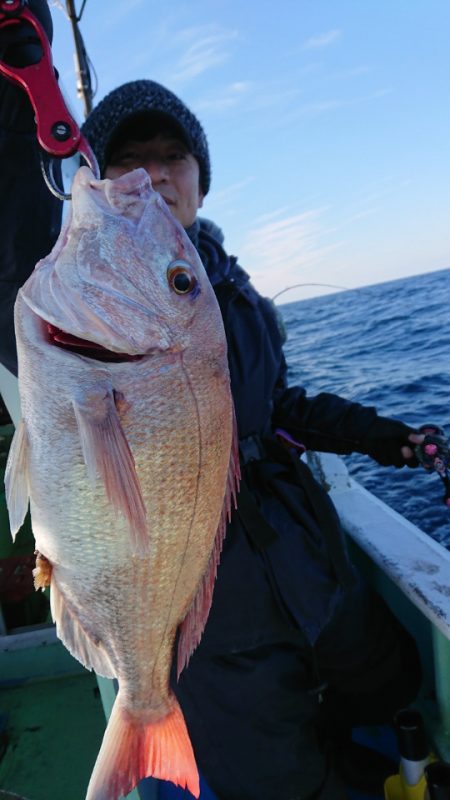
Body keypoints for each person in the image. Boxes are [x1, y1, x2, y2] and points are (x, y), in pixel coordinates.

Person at [0, 3, 424, 799]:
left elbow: (280, 405)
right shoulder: (67, 299)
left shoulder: (229, 288)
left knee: (378, 676)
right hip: (207, 590)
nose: (153, 173)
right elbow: (14, 231)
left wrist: (384, 435)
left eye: (173, 157)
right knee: (268, 760)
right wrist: (19, 75)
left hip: (301, 551)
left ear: (201, 177)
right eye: (130, 156)